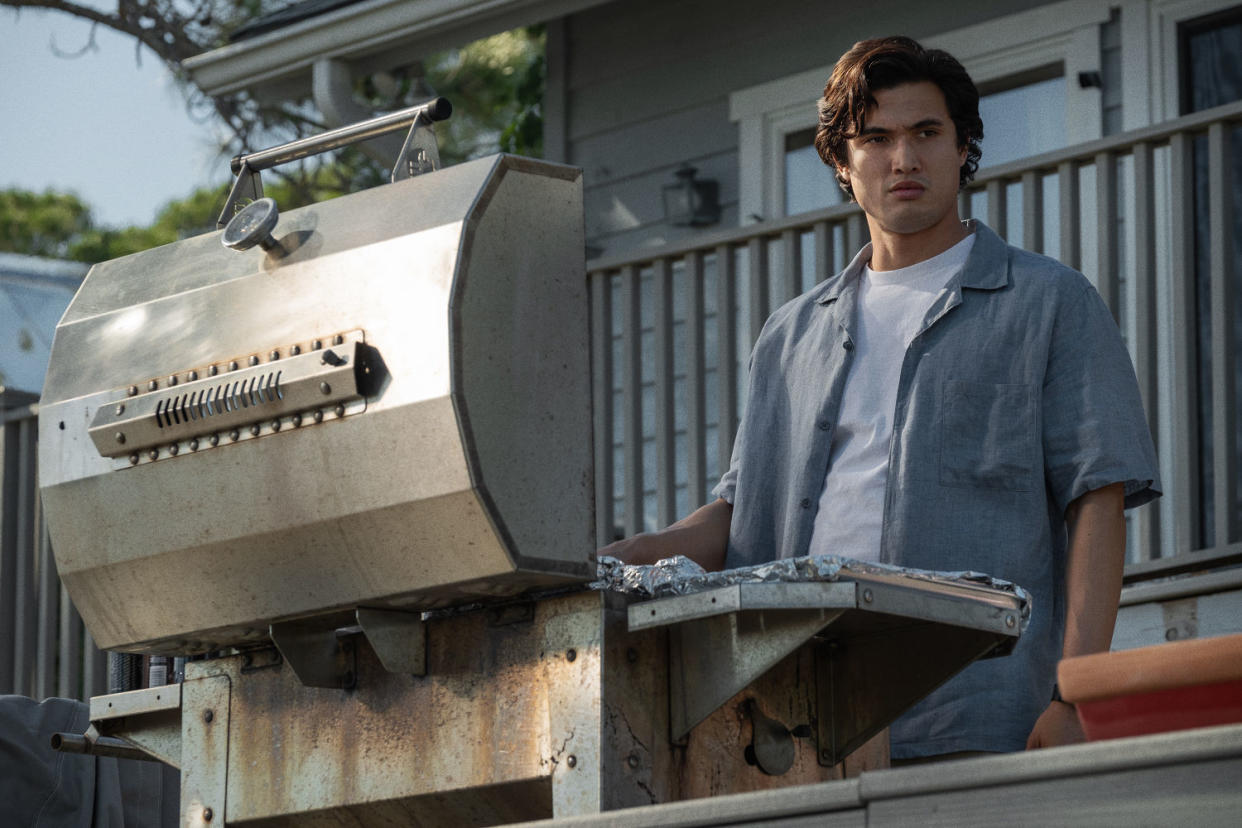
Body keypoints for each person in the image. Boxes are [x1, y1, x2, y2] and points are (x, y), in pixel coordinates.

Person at [601, 36, 1160, 762]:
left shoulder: (1049, 303)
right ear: (842, 162)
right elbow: (745, 515)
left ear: (963, 147)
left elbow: (1098, 498)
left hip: (976, 713)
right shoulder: (789, 335)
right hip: (792, 726)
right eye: (876, 138)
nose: (904, 159)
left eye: (927, 132)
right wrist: (628, 556)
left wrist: (1077, 696)